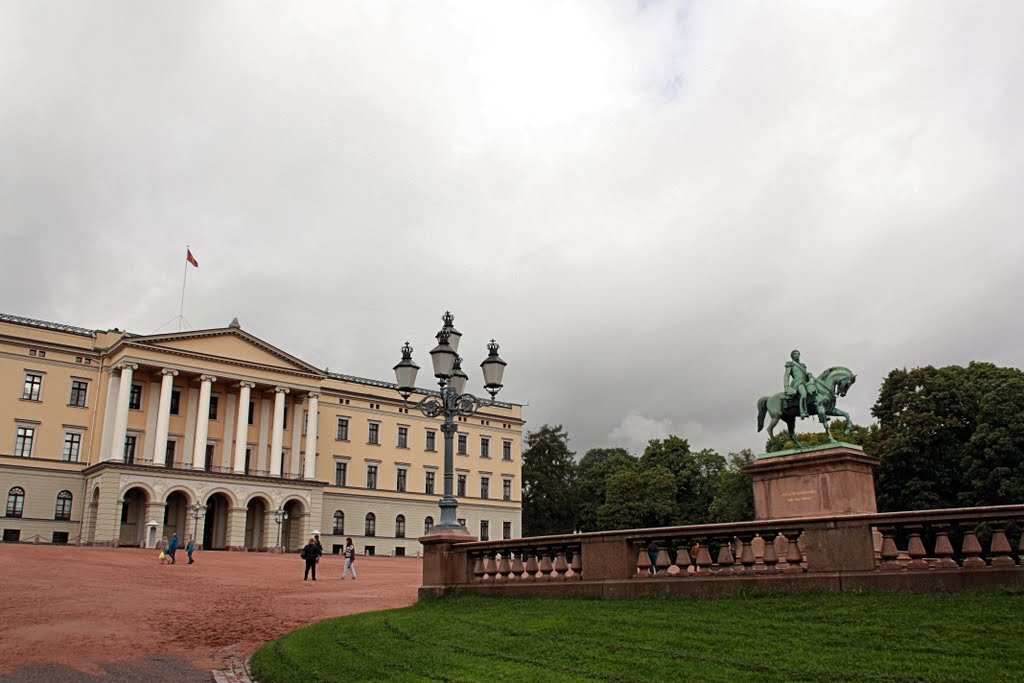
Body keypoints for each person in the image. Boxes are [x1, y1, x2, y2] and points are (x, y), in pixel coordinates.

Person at [784, 349, 816, 417]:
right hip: (797, 383)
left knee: (815, 391)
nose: (797, 355)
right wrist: (786, 387)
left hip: (805, 382)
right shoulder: (790, 364)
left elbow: (805, 376)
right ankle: (802, 412)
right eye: (795, 354)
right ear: (792, 356)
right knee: (803, 394)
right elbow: (786, 376)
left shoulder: (803, 365)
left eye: (798, 354)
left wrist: (808, 375)